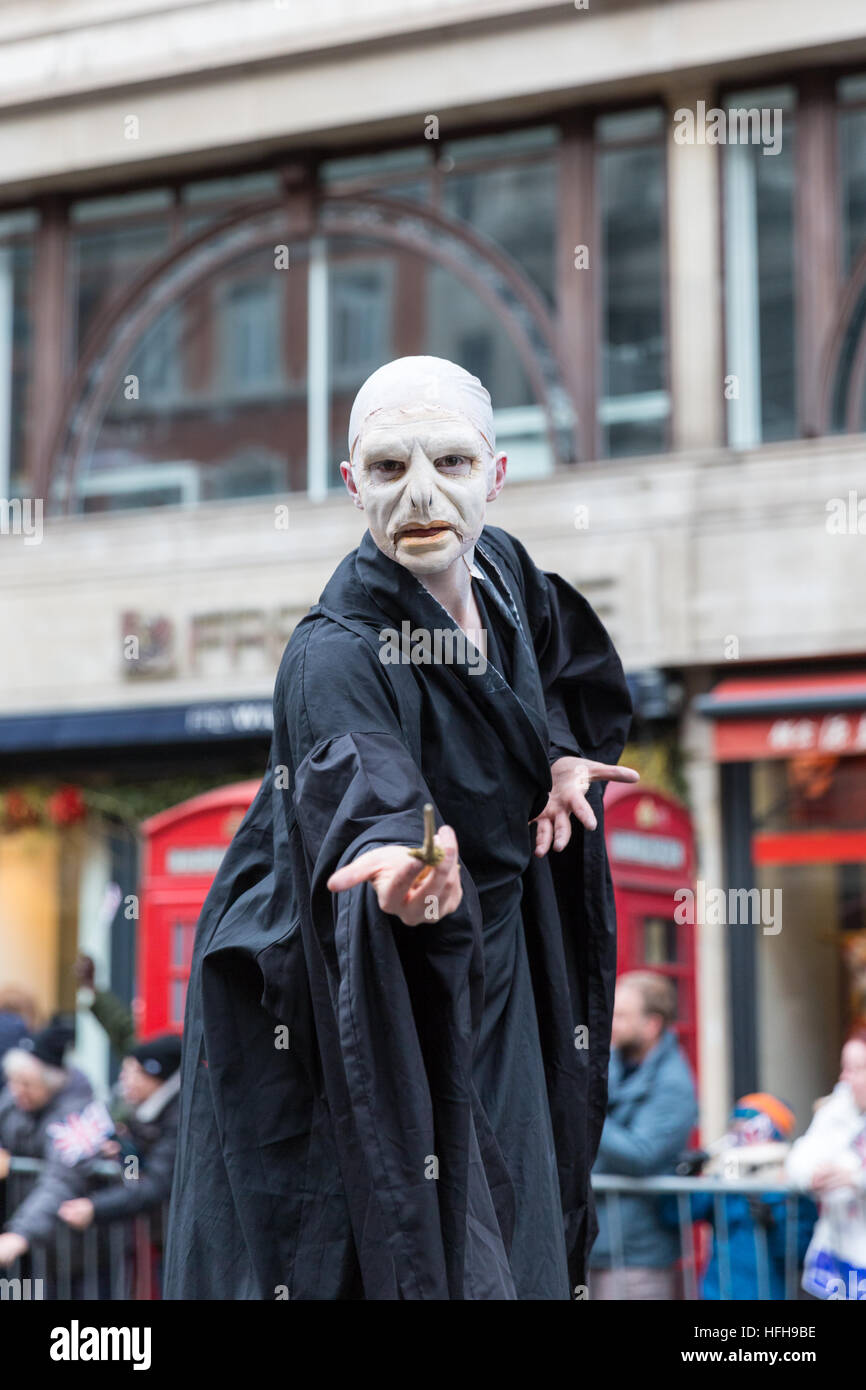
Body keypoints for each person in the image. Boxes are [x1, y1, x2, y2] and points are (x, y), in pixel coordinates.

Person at [165, 355, 636, 1300]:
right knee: (404, 1238)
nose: (421, 495)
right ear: (351, 485)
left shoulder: (504, 573)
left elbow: (556, 664)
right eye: (388, 469)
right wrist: (392, 854)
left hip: (503, 966)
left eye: (452, 464)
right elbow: (353, 761)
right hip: (373, 976)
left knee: (525, 1232)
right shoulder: (332, 648)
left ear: (496, 476)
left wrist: (554, 750)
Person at [589, 970, 698, 1299]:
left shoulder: (674, 1084)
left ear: (652, 1024)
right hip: (594, 1242)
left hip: (638, 1256)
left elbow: (642, 1153)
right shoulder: (611, 1062)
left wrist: (586, 1114)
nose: (612, 1022)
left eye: (622, 1015)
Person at [661, 1093, 816, 1300]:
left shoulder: (792, 1187)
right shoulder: (724, 1182)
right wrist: (682, 1174)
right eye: (735, 1128)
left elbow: (800, 1254)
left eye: (746, 1129)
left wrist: (773, 1224)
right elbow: (674, 1214)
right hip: (719, 1294)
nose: (737, 1138)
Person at [0, 1021, 106, 1270]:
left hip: (72, 1251)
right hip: (28, 1234)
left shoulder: (77, 1115)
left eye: (27, 1084)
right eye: (13, 1082)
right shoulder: (14, 1100)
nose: (17, 1091)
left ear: (52, 1084)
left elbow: (60, 1179)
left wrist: (20, 1234)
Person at [58, 1033, 181, 1232]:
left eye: (133, 1072)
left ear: (156, 1076)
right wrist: (126, 1152)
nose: (125, 1081)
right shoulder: (139, 1114)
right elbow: (135, 1180)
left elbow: (155, 1184)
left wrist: (96, 1207)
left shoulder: (176, 1119)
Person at [786, 1033, 866, 1300]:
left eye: (857, 1069)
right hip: (834, 1259)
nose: (846, 1078)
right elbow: (800, 1156)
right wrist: (812, 1176)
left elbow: (854, 1174)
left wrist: (855, 1179)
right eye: (845, 1068)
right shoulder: (837, 1109)